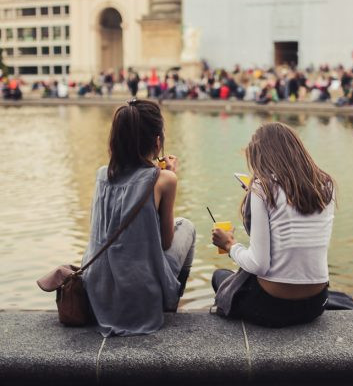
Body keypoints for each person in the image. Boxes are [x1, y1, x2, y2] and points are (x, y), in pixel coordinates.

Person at [81, 99, 196, 337]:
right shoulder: (164, 180)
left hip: (96, 286)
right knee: (187, 227)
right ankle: (170, 300)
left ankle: (166, 297)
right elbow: (165, 242)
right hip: (139, 289)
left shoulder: (102, 175)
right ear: (157, 142)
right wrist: (168, 175)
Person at [211, 123, 335, 328]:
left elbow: (259, 265)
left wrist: (229, 245)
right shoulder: (326, 185)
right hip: (316, 304)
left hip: (273, 308)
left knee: (220, 277)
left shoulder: (262, 188)